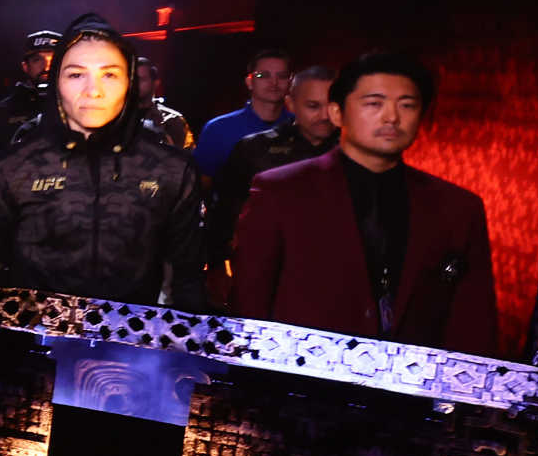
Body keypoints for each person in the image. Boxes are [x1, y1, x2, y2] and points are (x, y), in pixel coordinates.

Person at [228, 49, 498, 354]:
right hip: (301, 383)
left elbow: (473, 321)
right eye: (374, 103)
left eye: (407, 105)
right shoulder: (280, 191)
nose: (392, 117)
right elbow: (250, 303)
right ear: (337, 112)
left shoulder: (458, 208)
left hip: (411, 391)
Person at [0, 15, 205, 307]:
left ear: (130, 81)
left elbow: (187, 280)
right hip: (33, 341)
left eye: (109, 74)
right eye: (76, 74)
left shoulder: (171, 169)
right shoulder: (10, 169)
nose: (93, 91)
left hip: (131, 345)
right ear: (57, 82)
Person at [204, 63, 336, 278]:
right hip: (266, 270)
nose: (324, 115)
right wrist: (218, 267)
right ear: (290, 104)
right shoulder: (254, 149)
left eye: (331, 105)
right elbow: (224, 214)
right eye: (313, 106)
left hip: (336, 269)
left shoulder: (356, 153)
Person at [0, 28, 62, 187]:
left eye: (53, 60)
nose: (46, 67)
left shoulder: (86, 109)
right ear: (25, 66)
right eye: (38, 60)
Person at [192, 47, 294, 177]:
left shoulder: (301, 127)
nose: (274, 82)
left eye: (282, 76)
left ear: (290, 83)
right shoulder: (219, 129)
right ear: (250, 82)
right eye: (262, 75)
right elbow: (201, 183)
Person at [133, 56, 192, 149]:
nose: (134, 84)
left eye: (141, 79)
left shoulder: (172, 120)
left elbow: (187, 158)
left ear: (155, 83)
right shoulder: (114, 116)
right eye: (131, 79)